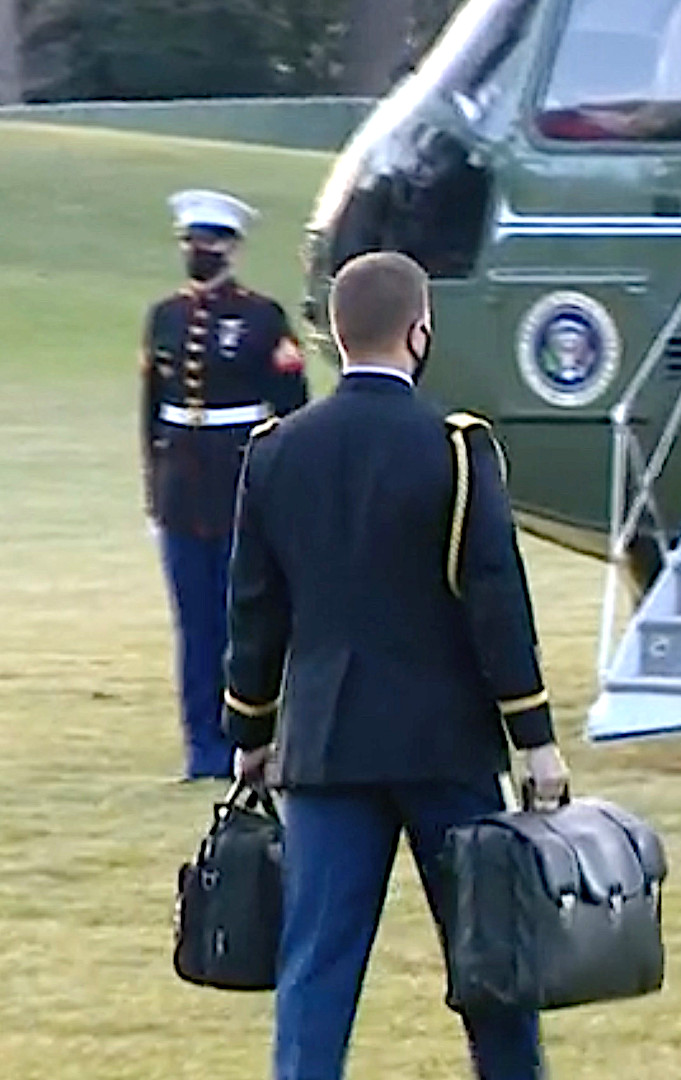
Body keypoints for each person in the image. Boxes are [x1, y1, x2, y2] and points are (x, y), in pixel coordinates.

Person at [221, 250, 571, 1080]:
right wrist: (535, 739)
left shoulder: (277, 450)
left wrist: (250, 730)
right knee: (490, 952)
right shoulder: (455, 450)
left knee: (316, 966)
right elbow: (496, 605)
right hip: (441, 745)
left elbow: (255, 610)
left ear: (339, 335)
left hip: (325, 744)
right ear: (419, 332)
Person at [142, 188, 309, 781]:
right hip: (182, 491)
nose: (199, 251)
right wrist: (153, 494)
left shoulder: (263, 318)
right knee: (195, 624)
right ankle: (203, 748)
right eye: (191, 241)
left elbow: (291, 408)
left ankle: (258, 738)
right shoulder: (164, 317)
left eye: (209, 242)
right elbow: (151, 411)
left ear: (231, 249)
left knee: (249, 617)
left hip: (242, 481)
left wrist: (287, 490)